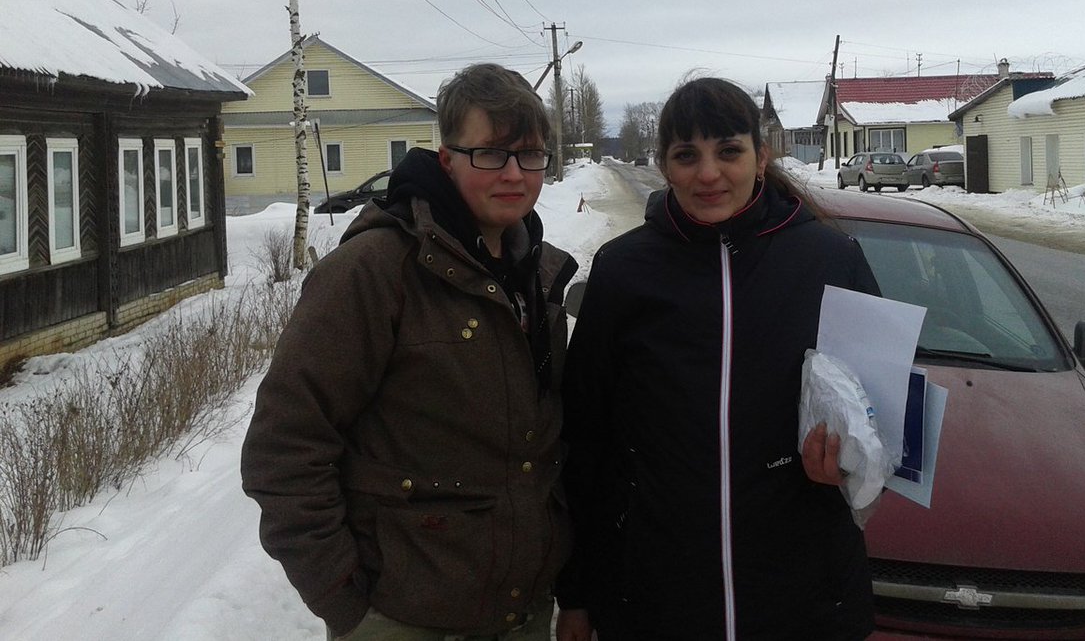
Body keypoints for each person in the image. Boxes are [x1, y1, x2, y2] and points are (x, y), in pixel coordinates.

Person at [242, 63, 577, 641]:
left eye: (530, 155)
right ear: (447, 159)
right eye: (490, 154)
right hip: (405, 617)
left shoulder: (536, 273)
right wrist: (347, 606)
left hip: (520, 610)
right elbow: (285, 447)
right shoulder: (374, 272)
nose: (514, 174)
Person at [554, 77, 879, 641]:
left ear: (761, 157)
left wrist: (853, 464)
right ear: (664, 164)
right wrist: (578, 594)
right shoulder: (624, 271)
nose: (708, 174)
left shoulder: (831, 260)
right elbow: (586, 440)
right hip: (657, 597)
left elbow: (886, 419)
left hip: (802, 596)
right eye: (687, 155)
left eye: (729, 151)